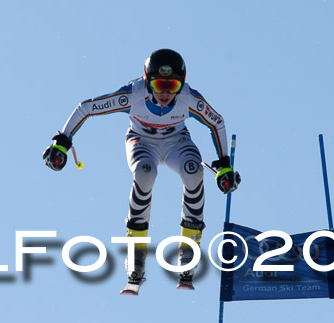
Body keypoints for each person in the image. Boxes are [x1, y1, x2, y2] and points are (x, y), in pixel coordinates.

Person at [42, 49, 240, 289]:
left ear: (182, 83)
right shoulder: (133, 94)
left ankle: (189, 249)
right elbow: (86, 108)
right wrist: (62, 142)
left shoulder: (189, 98)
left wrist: (224, 165)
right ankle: (136, 252)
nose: (166, 92)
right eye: (158, 84)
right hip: (141, 141)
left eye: (173, 85)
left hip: (176, 141)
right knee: (146, 173)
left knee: (193, 172)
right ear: (147, 82)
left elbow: (216, 122)